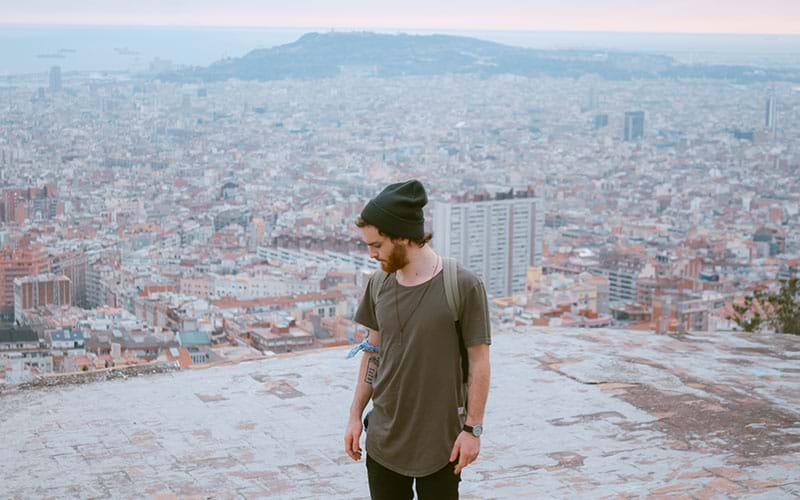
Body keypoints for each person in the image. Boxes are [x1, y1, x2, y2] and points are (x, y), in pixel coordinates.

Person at [344, 179, 491, 500]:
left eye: (377, 245)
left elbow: (480, 363)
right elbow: (372, 352)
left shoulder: (462, 286)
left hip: (442, 441)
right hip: (383, 438)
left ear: (402, 236)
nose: (370, 254)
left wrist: (473, 430)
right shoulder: (379, 284)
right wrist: (355, 415)